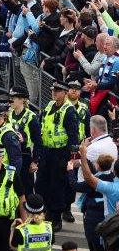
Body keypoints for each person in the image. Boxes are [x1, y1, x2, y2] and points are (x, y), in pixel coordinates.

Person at [36, 81, 79, 231]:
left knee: (57, 186)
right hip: (47, 151)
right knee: (41, 183)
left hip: (60, 154)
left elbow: (74, 136)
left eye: (58, 91)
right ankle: (45, 212)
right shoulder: (49, 106)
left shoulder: (69, 111)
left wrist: (70, 159)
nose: (54, 93)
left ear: (65, 93)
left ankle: (56, 217)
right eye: (53, 90)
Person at [7, 86, 42, 196]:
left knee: (25, 189)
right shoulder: (8, 114)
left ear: (22, 99)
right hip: (9, 154)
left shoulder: (31, 117)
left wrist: (35, 161)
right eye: (10, 97)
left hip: (24, 155)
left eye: (14, 98)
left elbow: (38, 141)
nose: (10, 100)